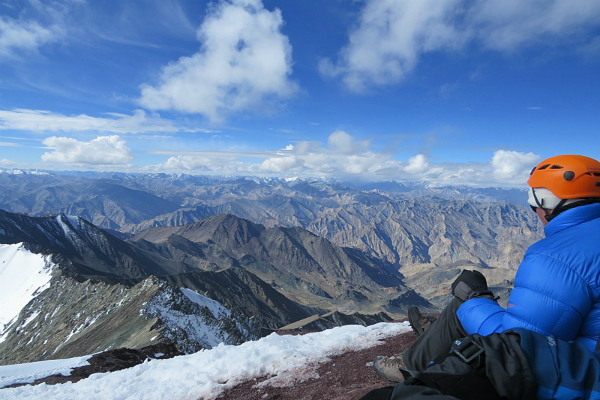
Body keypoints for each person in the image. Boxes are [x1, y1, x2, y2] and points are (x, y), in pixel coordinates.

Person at [373, 154, 600, 381]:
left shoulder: (555, 257)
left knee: (463, 304)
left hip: (575, 378)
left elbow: (518, 347)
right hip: (586, 359)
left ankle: (409, 367)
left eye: (534, 204)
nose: (535, 212)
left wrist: (475, 297)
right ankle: (439, 337)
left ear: (549, 204)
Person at [362, 328, 600, 400]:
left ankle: (414, 369)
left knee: (463, 316)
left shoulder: (557, 254)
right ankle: (418, 372)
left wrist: (476, 302)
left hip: (549, 362)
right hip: (576, 360)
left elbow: (533, 323)